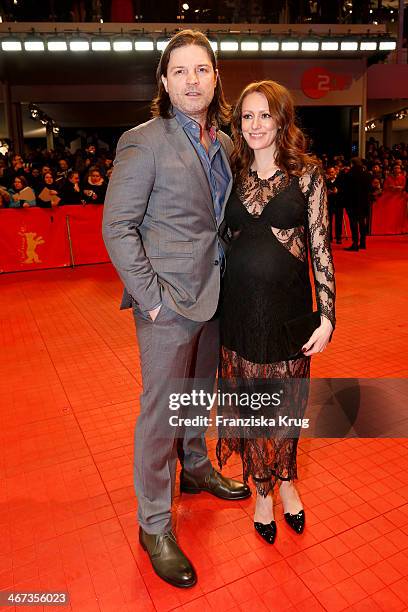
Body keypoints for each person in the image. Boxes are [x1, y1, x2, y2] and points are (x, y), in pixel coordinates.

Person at [102, 30, 250, 589]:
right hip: (167, 300)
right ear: (164, 81)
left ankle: (195, 464)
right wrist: (153, 299)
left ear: (216, 78)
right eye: (181, 71)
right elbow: (117, 227)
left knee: (199, 390)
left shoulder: (224, 143)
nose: (193, 80)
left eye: (203, 70)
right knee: (160, 410)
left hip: (215, 293)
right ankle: (155, 523)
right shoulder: (143, 140)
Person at [216, 80, 336, 544]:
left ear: (282, 119)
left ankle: (286, 482)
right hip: (240, 313)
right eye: (247, 116)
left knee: (285, 407)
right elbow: (221, 239)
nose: (255, 125)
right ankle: (263, 493)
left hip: (288, 312)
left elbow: (321, 248)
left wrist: (327, 314)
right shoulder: (231, 171)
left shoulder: (308, 174)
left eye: (265, 115)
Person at [344, 157, 372, 251]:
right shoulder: (367, 175)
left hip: (352, 203)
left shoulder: (349, 175)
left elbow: (346, 190)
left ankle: (355, 243)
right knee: (362, 222)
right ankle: (363, 243)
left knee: (353, 223)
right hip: (364, 203)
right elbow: (369, 189)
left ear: (352, 164)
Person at [326, 166, 343, 244]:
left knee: (338, 221)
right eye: (329, 173)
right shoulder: (326, 181)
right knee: (329, 221)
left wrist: (338, 192)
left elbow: (343, 191)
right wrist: (328, 193)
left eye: (332, 172)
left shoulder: (340, 180)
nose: (331, 174)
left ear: (335, 172)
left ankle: (339, 237)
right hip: (329, 204)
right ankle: (329, 238)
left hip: (339, 204)